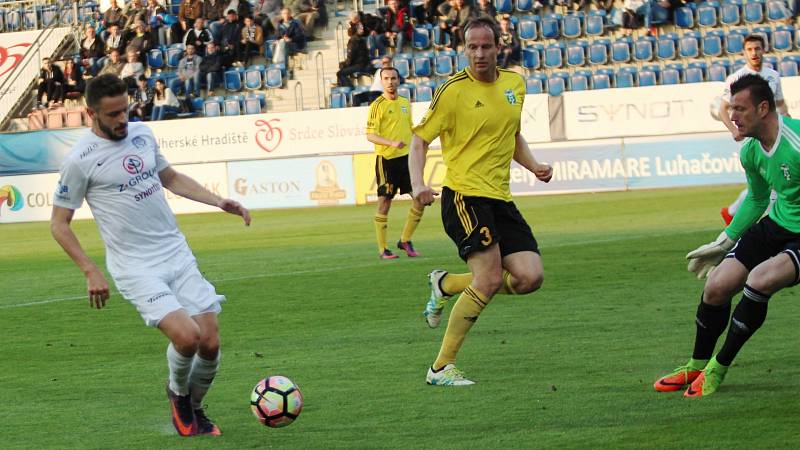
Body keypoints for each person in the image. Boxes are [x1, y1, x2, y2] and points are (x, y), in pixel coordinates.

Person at [50, 74, 250, 437]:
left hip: (175, 252)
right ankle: (178, 393)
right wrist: (90, 270)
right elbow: (59, 224)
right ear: (91, 113)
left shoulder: (143, 134)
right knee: (187, 337)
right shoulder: (80, 161)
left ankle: (196, 408)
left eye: (125, 110)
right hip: (136, 266)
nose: (122, 119)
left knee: (210, 341)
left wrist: (218, 201)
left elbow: (170, 178)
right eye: (113, 115)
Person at [409, 17, 552, 386]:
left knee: (529, 278)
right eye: (472, 47)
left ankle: (446, 284)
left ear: (498, 47)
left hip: (500, 199)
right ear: (465, 49)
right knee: (488, 279)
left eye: (486, 46)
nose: (479, 53)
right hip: (463, 197)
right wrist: (418, 185)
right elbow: (419, 141)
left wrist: (534, 166)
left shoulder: (514, 85)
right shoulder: (452, 90)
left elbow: (512, 134)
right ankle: (440, 368)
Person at [653, 74, 800, 397]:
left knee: (760, 279)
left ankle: (717, 368)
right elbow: (759, 198)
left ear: (763, 108)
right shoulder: (750, 150)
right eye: (731, 107)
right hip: (778, 224)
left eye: (739, 108)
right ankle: (695, 364)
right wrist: (724, 241)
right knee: (717, 285)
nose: (732, 116)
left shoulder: (796, 141)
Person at [718, 35, 790, 225]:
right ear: (744, 53)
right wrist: (734, 130)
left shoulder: (773, 76)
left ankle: (732, 212)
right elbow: (722, 109)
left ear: (763, 50)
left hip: (773, 135)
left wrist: (788, 124)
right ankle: (775, 226)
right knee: (769, 184)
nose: (754, 53)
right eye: (750, 49)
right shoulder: (737, 79)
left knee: (766, 185)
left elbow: (781, 105)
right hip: (751, 136)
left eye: (757, 48)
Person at [366, 67, 426, 260]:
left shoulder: (404, 103)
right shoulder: (377, 105)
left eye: (393, 78)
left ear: (398, 80)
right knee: (385, 203)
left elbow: (410, 128)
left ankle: (405, 240)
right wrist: (391, 142)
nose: (390, 82)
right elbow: (370, 135)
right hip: (387, 160)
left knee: (420, 198)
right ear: (381, 82)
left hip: (406, 159)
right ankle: (383, 249)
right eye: (386, 79)